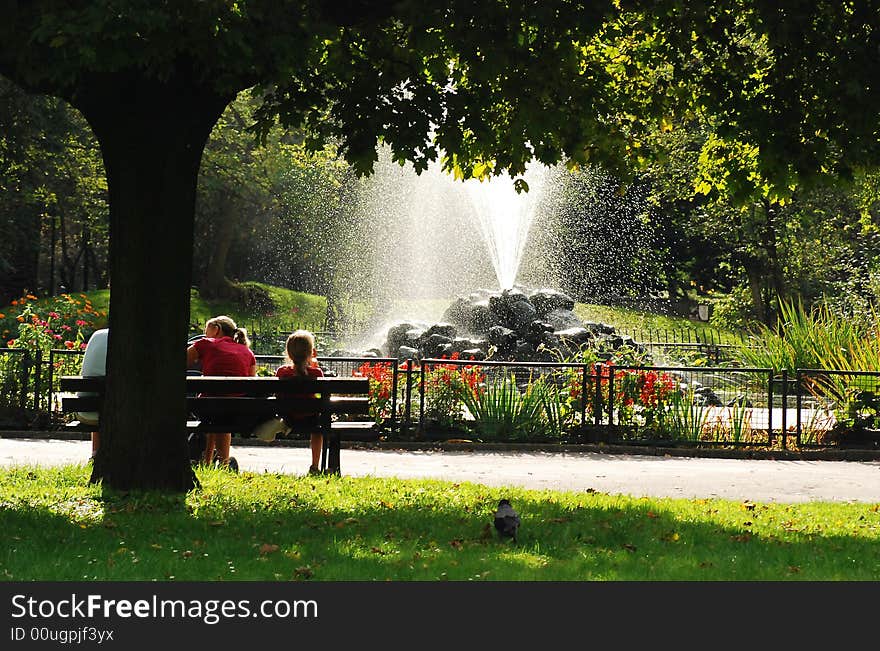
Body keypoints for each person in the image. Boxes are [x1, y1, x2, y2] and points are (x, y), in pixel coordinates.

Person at [185, 315, 256, 469]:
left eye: (206, 330)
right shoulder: (247, 352)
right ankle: (217, 463)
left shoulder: (206, 343)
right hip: (237, 410)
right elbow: (252, 381)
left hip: (208, 408)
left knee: (215, 406)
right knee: (223, 408)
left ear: (216, 330)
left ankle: (218, 463)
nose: (205, 334)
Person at [275, 329, 325, 475]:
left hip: (288, 419)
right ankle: (315, 466)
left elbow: (278, 395)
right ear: (311, 352)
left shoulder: (282, 372)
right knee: (318, 430)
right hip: (311, 420)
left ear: (289, 353)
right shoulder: (316, 373)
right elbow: (320, 397)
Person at [77, 327, 108, 459]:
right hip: (123, 409)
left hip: (87, 410)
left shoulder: (98, 335)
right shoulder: (133, 339)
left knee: (98, 403)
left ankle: (95, 453)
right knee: (103, 404)